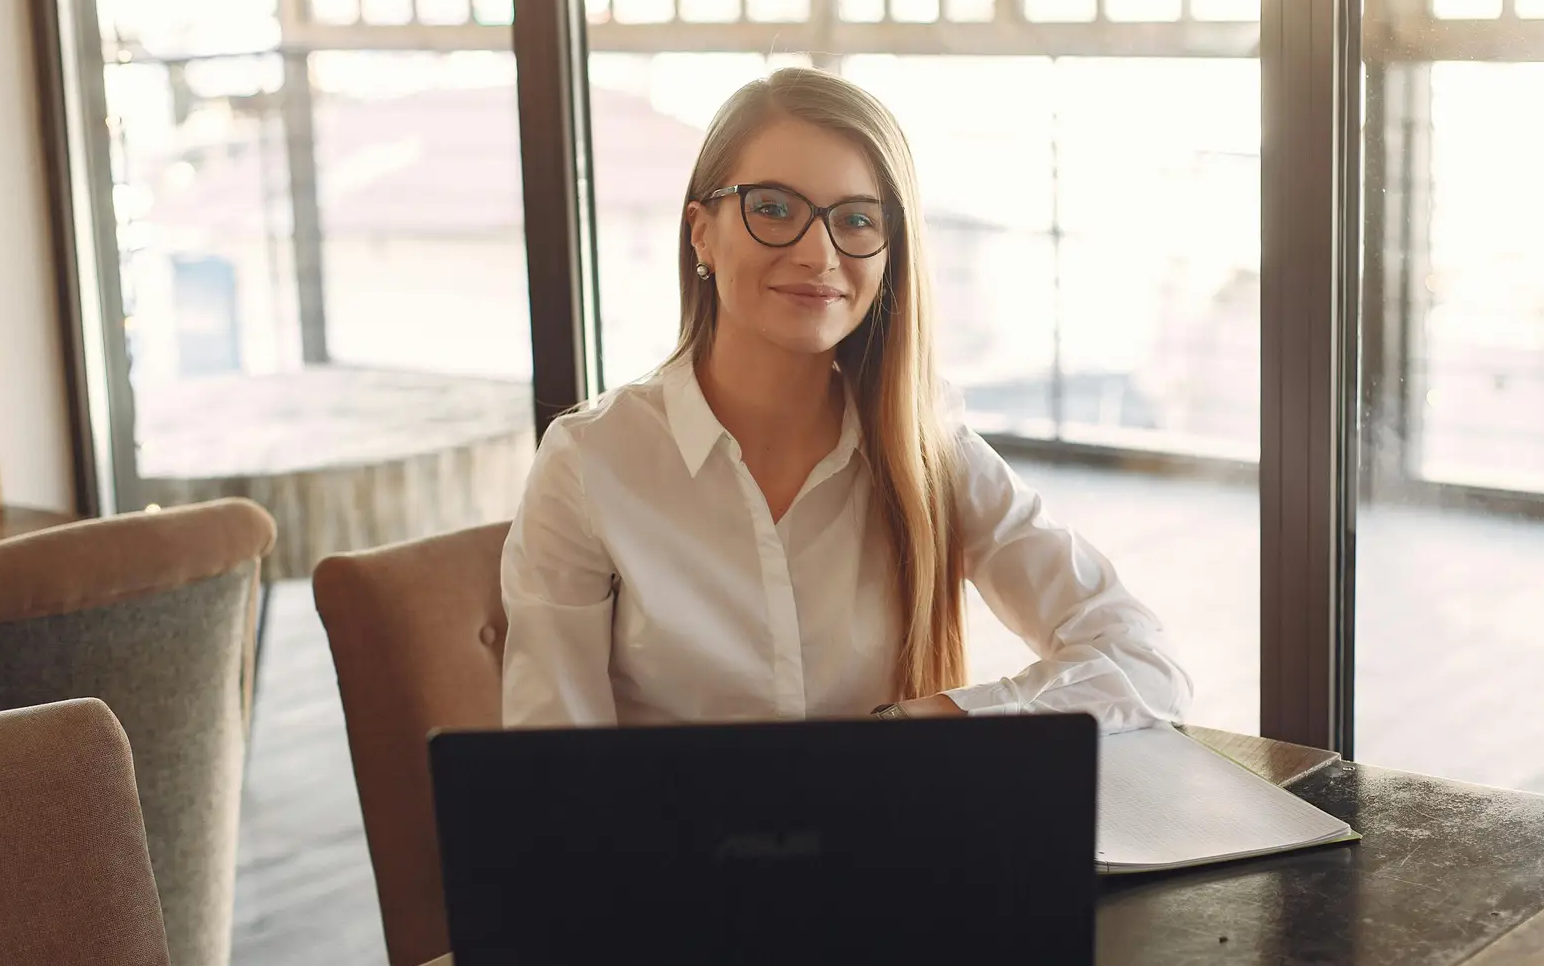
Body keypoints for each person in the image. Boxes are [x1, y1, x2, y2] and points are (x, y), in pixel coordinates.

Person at [500, 67, 1192, 731]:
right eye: (773, 209)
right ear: (701, 230)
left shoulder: (928, 454)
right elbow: (550, 769)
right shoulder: (591, 461)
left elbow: (1143, 662)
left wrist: (936, 719)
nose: (818, 253)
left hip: (891, 846)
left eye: (857, 221)